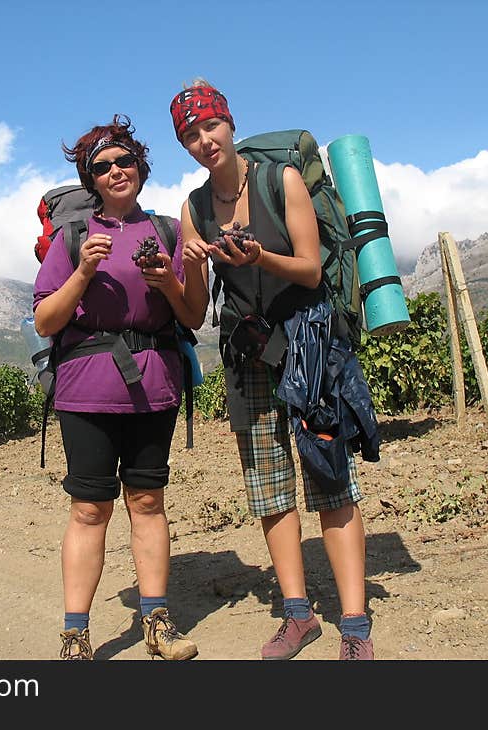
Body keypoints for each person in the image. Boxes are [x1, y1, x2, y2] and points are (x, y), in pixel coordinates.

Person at [169, 80, 375, 660]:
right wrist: (178, 272)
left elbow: (310, 270)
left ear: (229, 125)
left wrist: (260, 254)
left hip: (307, 341)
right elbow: (191, 309)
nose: (204, 140)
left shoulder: (278, 180)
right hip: (246, 352)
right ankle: (298, 615)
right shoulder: (194, 208)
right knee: (270, 488)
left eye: (210, 126)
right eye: (191, 134)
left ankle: (355, 627)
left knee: (330, 477)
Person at [33, 114, 210, 660]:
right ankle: (75, 635)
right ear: (91, 180)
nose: (115, 172)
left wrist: (169, 282)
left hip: (153, 385)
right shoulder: (73, 238)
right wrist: (82, 273)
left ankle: (157, 625)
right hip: (85, 392)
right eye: (102, 167)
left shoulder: (166, 233)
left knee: (148, 501)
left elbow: (194, 315)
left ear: (140, 167)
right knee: (89, 508)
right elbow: (45, 322)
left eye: (124, 161)